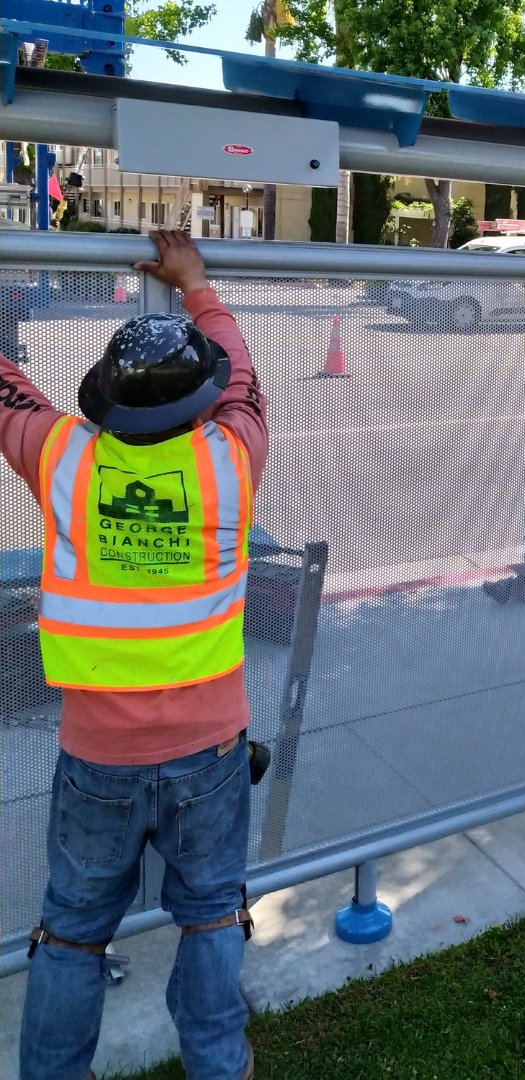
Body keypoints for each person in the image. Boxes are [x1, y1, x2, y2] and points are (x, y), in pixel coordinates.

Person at [0, 230, 268, 1080]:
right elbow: (246, 382)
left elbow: (4, 392)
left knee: (72, 929)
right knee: (212, 916)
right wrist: (195, 284)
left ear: (106, 404)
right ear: (201, 404)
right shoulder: (232, 461)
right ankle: (218, 1067)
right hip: (213, 750)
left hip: (96, 757)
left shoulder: (64, 458)